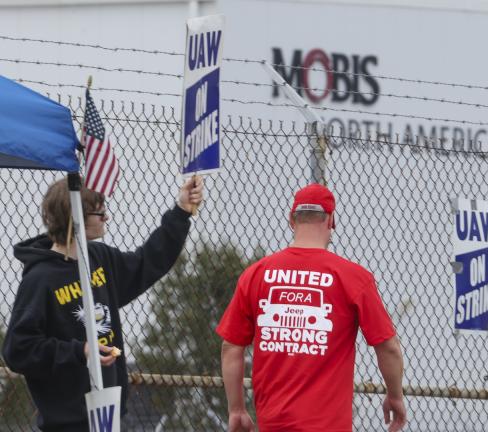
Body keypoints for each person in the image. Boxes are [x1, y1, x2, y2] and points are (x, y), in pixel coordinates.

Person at [2, 175, 204, 431]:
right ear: (75, 216)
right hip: (68, 421)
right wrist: (80, 351)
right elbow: (18, 350)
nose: (106, 217)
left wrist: (180, 212)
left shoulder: (99, 258)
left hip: (106, 413)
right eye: (99, 213)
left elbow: (146, 262)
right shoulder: (40, 279)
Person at [217, 183, 406, 432]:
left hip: (273, 424)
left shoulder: (256, 274)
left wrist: (237, 410)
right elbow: (388, 347)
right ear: (330, 221)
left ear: (291, 220)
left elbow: (231, 348)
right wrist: (395, 396)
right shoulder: (354, 278)